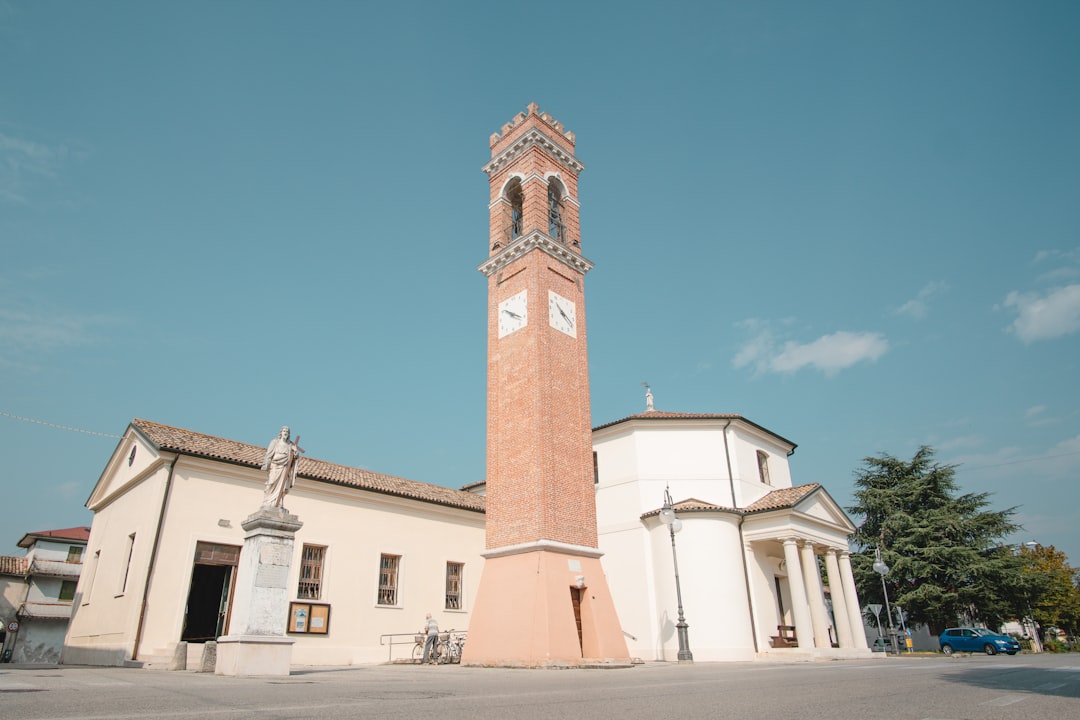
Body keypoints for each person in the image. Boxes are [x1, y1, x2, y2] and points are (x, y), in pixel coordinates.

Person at [261, 426, 302, 509]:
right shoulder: (275, 442)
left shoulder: (290, 445)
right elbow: (269, 454)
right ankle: (268, 501)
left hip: (284, 467)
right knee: (271, 483)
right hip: (275, 466)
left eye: (287, 431)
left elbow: (294, 457)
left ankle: (279, 502)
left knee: (282, 486)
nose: (285, 432)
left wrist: (295, 455)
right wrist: (266, 464)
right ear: (281, 432)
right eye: (284, 431)